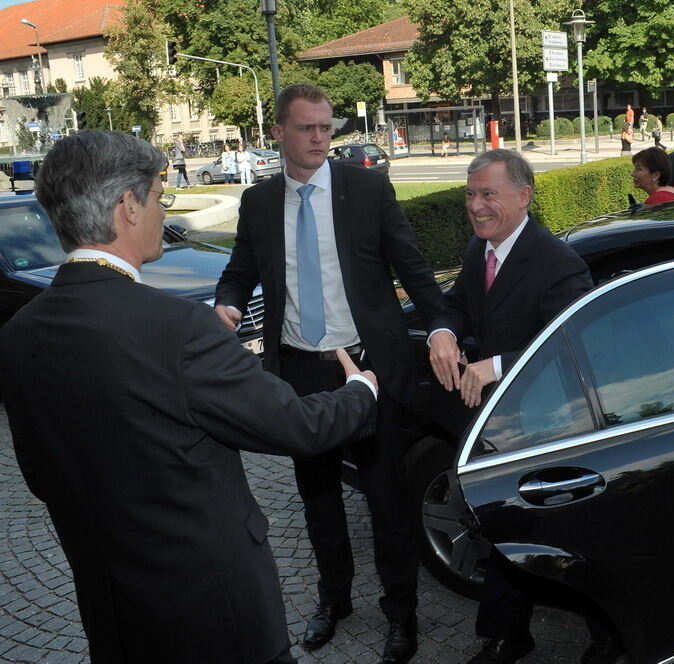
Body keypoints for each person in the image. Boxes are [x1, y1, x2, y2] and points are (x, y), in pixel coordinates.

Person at [0, 130, 378, 664]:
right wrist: (362, 389)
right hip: (216, 612)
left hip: (114, 611)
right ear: (127, 207)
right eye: (160, 195)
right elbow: (298, 426)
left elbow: (40, 475)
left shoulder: (19, 334)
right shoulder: (177, 327)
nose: (163, 209)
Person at [214, 83, 448, 664]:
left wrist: (441, 326)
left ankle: (401, 613)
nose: (321, 138)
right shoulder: (259, 202)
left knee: (387, 501)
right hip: (299, 373)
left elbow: (413, 267)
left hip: (368, 369)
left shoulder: (366, 187)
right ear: (278, 135)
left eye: (327, 127)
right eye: (307, 128)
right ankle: (333, 600)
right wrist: (228, 303)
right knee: (317, 499)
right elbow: (241, 269)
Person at [426, 150, 613, 664]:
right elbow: (458, 304)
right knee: (502, 528)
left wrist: (497, 365)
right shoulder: (478, 250)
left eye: (488, 194)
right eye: (470, 194)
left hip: (548, 425)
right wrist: (442, 333)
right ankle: (508, 634)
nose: (476, 205)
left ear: (523, 196)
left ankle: (610, 637)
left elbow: (573, 346)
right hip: (494, 423)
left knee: (566, 537)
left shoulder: (557, 263)